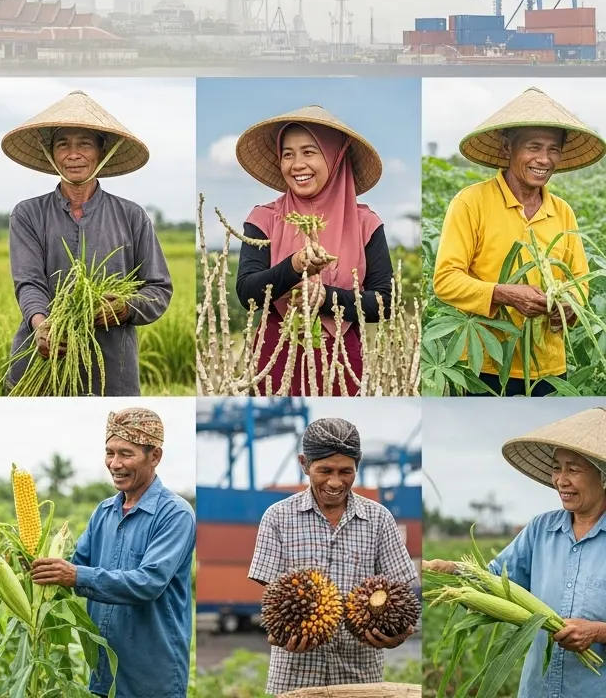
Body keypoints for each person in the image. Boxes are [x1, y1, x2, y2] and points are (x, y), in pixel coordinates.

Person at [424, 405, 606, 697]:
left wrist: (597, 632)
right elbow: (495, 581)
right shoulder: (540, 529)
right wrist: (455, 572)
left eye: (573, 469)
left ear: (603, 476)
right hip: (539, 688)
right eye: (556, 468)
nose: (561, 480)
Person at [1, 90, 172, 395]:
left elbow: (158, 289)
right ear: (51, 154)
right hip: (42, 362)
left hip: (111, 370)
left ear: (102, 151)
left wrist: (125, 307)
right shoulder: (28, 213)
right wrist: (42, 325)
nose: (73, 154)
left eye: (84, 144)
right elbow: (28, 283)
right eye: (63, 144)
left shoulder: (132, 216)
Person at [434, 87, 603, 395]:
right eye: (534, 146)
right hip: (484, 365)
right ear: (507, 148)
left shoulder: (563, 211)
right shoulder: (471, 202)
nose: (544, 159)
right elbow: (445, 280)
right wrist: (503, 293)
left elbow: (580, 283)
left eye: (553, 149)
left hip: (550, 368)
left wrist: (569, 307)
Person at [30, 407, 195, 698]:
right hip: (102, 671)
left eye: (126, 454)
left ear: (154, 456)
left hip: (151, 677)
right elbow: (73, 566)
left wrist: (74, 575)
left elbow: (148, 583)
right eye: (109, 452)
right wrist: (31, 563)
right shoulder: (104, 512)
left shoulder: (175, 514)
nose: (114, 464)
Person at [248, 417, 418, 694]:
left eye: (346, 471)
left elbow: (401, 593)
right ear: (304, 464)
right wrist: (279, 634)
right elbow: (273, 600)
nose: (335, 482)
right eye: (325, 470)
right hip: (293, 677)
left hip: (361, 678)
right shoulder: (277, 517)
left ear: (358, 467)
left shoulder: (380, 519)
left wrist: (397, 635)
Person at [234, 105, 391, 396]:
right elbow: (247, 292)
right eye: (288, 154)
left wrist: (327, 297)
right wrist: (293, 266)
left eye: (309, 152)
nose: (297, 164)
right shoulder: (264, 218)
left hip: (342, 359)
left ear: (334, 157)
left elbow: (384, 302)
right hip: (274, 354)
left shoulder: (366, 223)